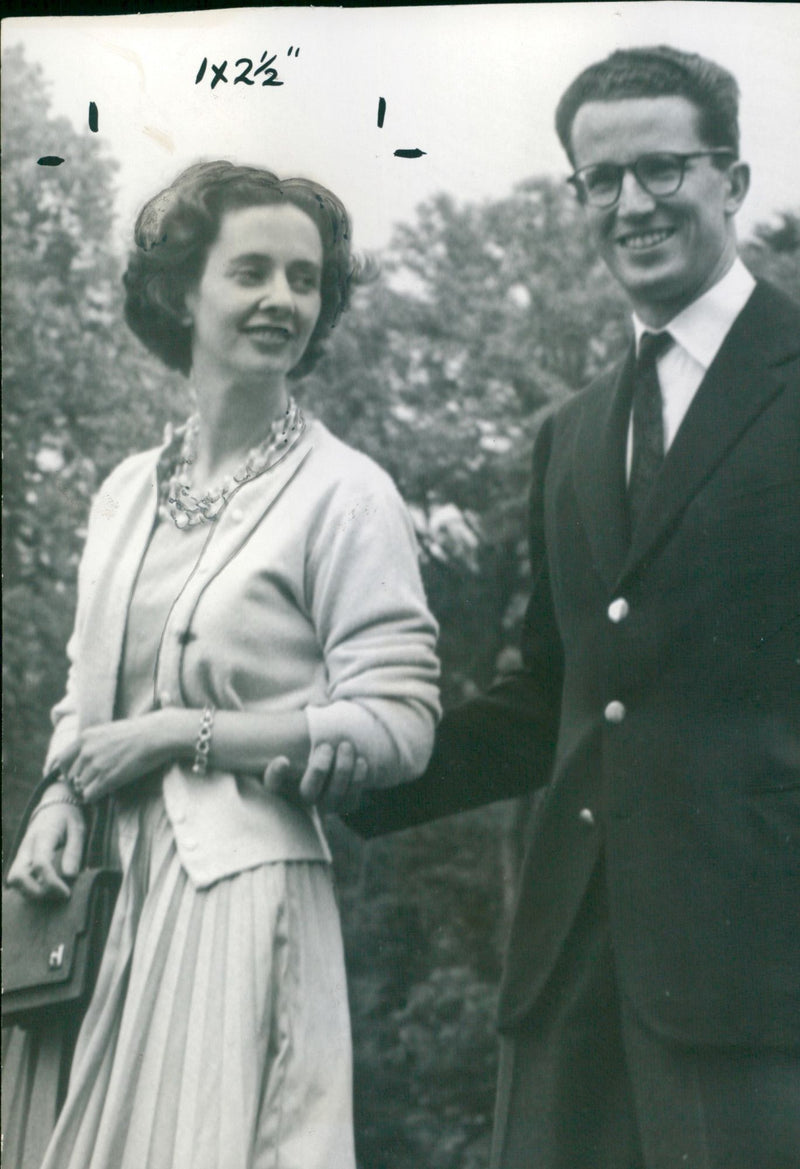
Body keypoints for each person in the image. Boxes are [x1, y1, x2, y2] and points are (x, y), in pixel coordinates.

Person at [348, 45, 800, 1169]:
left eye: (662, 168)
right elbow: (545, 702)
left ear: (730, 180)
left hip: (759, 975)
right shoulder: (570, 431)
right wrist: (335, 767)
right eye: (600, 179)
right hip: (565, 979)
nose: (631, 203)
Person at [2, 160, 440, 1169]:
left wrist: (181, 732)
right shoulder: (120, 492)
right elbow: (84, 696)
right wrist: (60, 800)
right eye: (251, 271)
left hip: (235, 893)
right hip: (92, 902)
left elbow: (401, 721)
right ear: (180, 289)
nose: (282, 299)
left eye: (304, 279)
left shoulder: (346, 492)